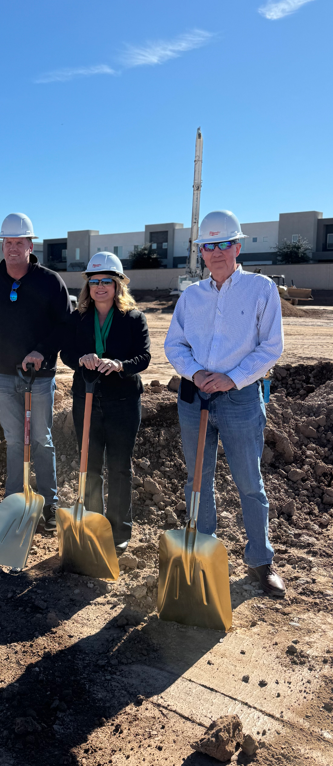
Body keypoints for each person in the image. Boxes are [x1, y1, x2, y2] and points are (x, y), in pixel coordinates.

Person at [164, 210, 285, 597]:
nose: (215, 252)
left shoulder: (261, 289)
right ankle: (202, 552)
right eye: (208, 245)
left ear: (237, 246)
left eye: (223, 244)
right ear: (201, 251)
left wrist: (231, 377)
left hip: (240, 400)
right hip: (194, 398)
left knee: (250, 483)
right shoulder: (191, 295)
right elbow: (174, 344)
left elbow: (272, 346)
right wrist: (197, 373)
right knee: (197, 481)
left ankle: (260, 562)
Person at [0, 213, 72, 530]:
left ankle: (49, 505)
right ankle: (13, 503)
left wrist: (41, 352)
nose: (13, 248)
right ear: (2, 245)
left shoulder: (49, 282)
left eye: (19, 242)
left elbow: (64, 327)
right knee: (15, 442)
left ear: (31, 245)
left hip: (40, 378)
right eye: (8, 242)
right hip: (1, 377)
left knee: (42, 441)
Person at [60, 252, 150, 551]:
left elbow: (144, 357)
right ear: (88, 286)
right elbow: (67, 353)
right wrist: (80, 359)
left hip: (123, 401)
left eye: (106, 282)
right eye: (95, 281)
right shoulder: (79, 317)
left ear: (117, 285)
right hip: (86, 398)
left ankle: (119, 529)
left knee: (120, 467)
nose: (100, 287)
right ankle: (92, 522)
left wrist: (121, 364)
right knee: (90, 465)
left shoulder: (134, 318)